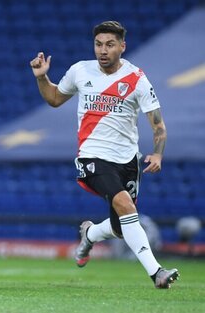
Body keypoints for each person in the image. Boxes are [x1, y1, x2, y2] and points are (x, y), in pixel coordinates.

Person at [30, 21, 179, 289]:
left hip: (128, 160)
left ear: (122, 46)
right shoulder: (80, 70)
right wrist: (42, 77)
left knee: (121, 226)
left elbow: (158, 125)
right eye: (98, 44)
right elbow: (54, 98)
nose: (103, 50)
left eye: (110, 44)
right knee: (125, 205)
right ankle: (156, 272)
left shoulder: (137, 79)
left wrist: (157, 154)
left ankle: (90, 234)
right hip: (92, 156)